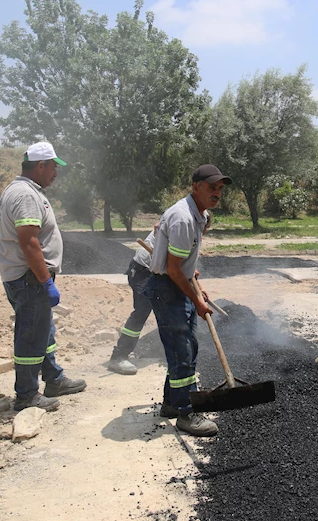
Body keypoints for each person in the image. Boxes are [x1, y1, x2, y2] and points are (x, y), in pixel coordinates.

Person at [0, 142, 87, 411]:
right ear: (40, 166)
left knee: (43, 331)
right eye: (54, 167)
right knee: (31, 336)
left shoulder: (23, 190)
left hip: (28, 278)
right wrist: (46, 281)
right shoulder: (25, 195)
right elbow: (29, 243)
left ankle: (54, 379)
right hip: (30, 279)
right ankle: (26, 395)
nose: (56, 174)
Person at [143, 164, 230, 437]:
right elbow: (172, 269)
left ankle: (171, 402)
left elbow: (182, 264)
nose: (217, 193)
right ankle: (186, 413)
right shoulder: (182, 218)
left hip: (176, 284)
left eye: (220, 189)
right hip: (167, 289)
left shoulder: (198, 214)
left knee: (187, 347)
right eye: (211, 187)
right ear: (196, 186)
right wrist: (196, 300)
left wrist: (195, 288)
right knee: (182, 350)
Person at [106, 213, 212, 375]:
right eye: (203, 227)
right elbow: (159, 230)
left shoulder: (193, 233)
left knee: (171, 308)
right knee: (142, 311)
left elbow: (187, 262)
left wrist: (199, 287)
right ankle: (118, 356)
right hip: (143, 270)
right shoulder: (181, 224)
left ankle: (173, 351)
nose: (203, 231)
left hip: (160, 271)